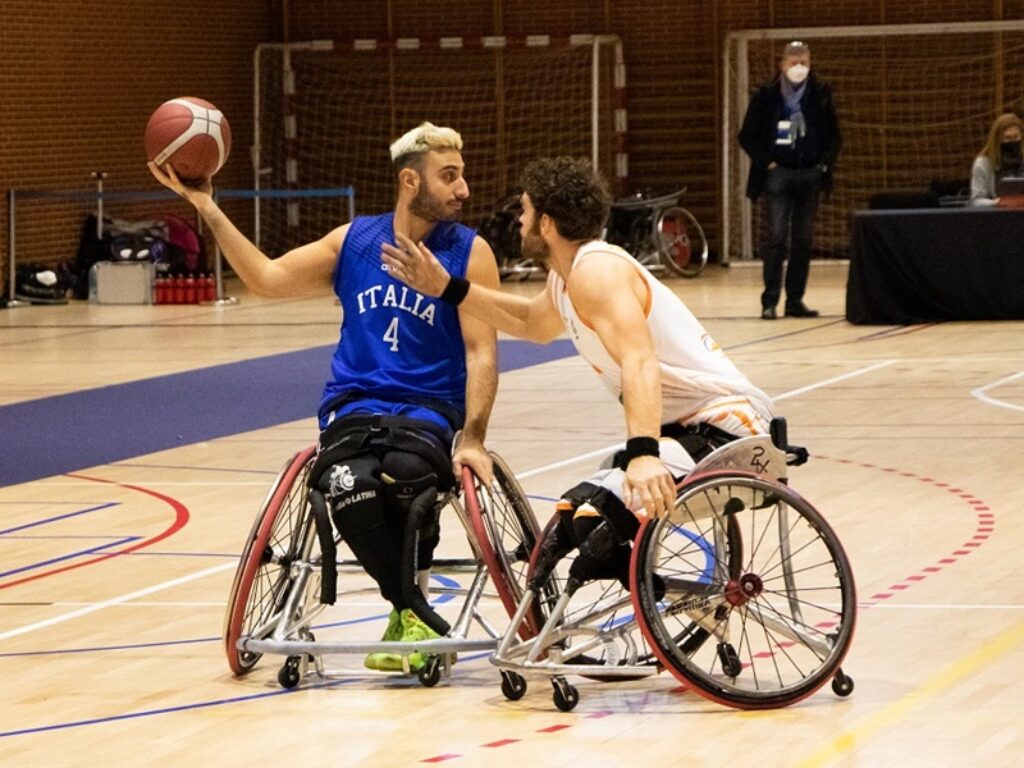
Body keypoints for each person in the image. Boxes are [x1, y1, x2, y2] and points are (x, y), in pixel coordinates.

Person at [150, 122, 500, 672]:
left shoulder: (469, 252)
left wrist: (474, 436)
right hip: (354, 410)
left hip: (427, 411)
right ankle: (410, 609)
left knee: (408, 474)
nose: (464, 189)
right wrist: (207, 206)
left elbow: (481, 350)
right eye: (449, 176)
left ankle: (407, 615)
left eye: (462, 176)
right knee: (346, 483)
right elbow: (266, 278)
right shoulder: (354, 242)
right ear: (410, 182)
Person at [382, 156, 777, 586]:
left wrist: (644, 454)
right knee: (578, 518)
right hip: (688, 431)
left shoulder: (597, 270)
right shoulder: (567, 277)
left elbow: (638, 359)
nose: (520, 220)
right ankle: (649, 604)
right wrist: (447, 288)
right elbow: (532, 323)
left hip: (730, 429)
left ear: (547, 224)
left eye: (527, 211)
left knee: (598, 516)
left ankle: (655, 600)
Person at [739, 40, 841, 320]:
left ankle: (795, 300)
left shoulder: (820, 94)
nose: (799, 68)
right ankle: (769, 300)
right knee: (776, 237)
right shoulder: (766, 96)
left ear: (810, 64)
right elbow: (746, 135)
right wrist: (767, 162)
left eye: (803, 63)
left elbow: (834, 135)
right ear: (782, 65)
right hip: (778, 174)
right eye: (793, 62)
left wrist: (822, 164)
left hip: (809, 173)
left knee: (803, 239)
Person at [969, 112, 1024, 206]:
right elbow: (976, 201)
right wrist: (999, 202)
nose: (1013, 142)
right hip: (995, 215)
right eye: (1007, 138)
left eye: (1016, 137)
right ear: (997, 139)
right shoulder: (983, 163)